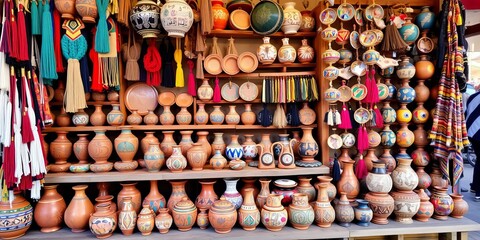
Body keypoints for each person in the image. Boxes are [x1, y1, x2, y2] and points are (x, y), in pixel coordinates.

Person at [465, 84, 480, 201]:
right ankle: (478, 191)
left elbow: (466, 113)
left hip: (471, 132)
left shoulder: (472, 97)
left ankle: (475, 186)